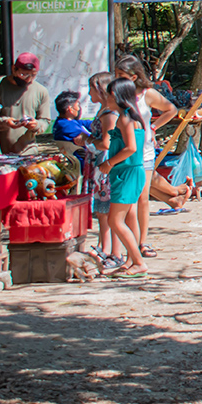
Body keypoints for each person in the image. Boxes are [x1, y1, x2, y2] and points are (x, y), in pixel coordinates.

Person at [115, 54, 180, 257]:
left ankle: (143, 242)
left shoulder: (147, 94)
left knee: (143, 198)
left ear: (134, 77)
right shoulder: (117, 93)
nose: (116, 78)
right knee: (127, 199)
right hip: (122, 151)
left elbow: (171, 110)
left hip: (144, 151)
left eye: (121, 74)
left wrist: (152, 127)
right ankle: (128, 242)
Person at [99, 77, 150, 278]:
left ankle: (138, 262)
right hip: (129, 173)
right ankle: (131, 260)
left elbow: (130, 148)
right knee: (127, 219)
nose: (106, 98)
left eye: (109, 94)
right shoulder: (131, 116)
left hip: (127, 173)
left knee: (115, 221)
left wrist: (109, 163)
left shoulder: (125, 118)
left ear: (117, 96)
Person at [86, 72, 121, 269]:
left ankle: (111, 251)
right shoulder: (104, 111)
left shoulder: (109, 113)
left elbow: (106, 143)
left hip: (104, 166)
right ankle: (104, 247)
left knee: (106, 210)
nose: (89, 92)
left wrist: (87, 141)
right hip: (98, 165)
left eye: (92, 88)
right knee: (101, 210)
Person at [0, 52, 53, 155]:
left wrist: (36, 125)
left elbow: (45, 121)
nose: (28, 79)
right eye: (23, 74)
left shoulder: (41, 91)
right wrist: (5, 122)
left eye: (33, 75)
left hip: (27, 151)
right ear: (14, 69)